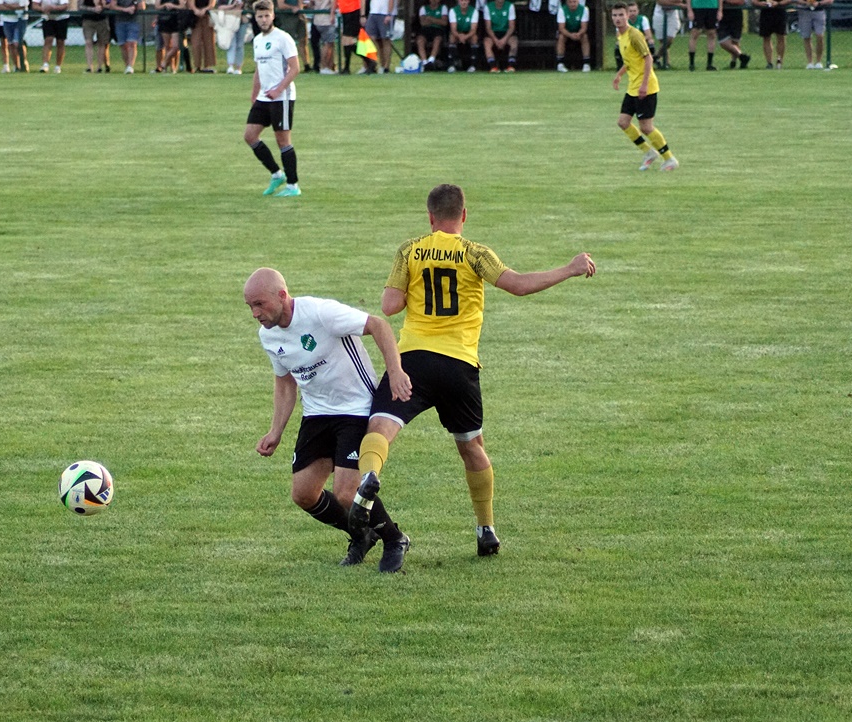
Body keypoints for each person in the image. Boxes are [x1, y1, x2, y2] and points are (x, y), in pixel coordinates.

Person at [346, 183, 596, 560]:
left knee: (380, 428)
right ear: (463, 215)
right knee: (471, 447)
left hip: (413, 358)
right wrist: (570, 268)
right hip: (459, 365)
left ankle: (369, 477)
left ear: (430, 218)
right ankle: (485, 528)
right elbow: (518, 286)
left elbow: (390, 305)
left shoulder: (410, 250)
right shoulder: (476, 253)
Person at [245, 268, 414, 572]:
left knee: (347, 493)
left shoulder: (321, 313)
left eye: (260, 304)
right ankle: (360, 535)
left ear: (282, 295)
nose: (256, 313)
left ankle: (394, 538)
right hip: (317, 413)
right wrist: (275, 431)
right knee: (304, 494)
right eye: (250, 307)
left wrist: (396, 371)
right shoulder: (268, 335)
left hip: (355, 409)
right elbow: (285, 382)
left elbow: (378, 325)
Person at [612, 0, 678, 171]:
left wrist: (643, 85)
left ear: (628, 15)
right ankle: (648, 152)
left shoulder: (634, 35)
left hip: (645, 87)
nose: (617, 18)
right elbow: (630, 61)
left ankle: (669, 158)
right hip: (632, 87)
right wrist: (619, 75)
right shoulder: (620, 36)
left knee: (646, 127)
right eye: (614, 15)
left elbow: (647, 58)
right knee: (623, 122)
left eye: (621, 15)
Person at [245, 0, 301, 197]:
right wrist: (254, 94)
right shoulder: (257, 40)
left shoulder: (283, 39)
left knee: (283, 141)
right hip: (264, 97)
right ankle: (277, 174)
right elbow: (259, 70)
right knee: (250, 136)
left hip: (282, 97)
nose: (263, 20)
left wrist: (278, 89)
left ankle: (293, 185)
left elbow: (295, 68)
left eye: (266, 15)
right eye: (260, 16)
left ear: (273, 15)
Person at [615, 1, 655, 70]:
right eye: (630, 11)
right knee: (618, 44)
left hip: (641, 41)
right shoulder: (621, 20)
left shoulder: (643, 19)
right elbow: (619, 36)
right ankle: (620, 66)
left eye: (634, 11)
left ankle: (649, 65)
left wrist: (637, 40)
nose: (633, 13)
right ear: (627, 12)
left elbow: (648, 35)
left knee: (651, 42)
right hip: (627, 43)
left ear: (638, 11)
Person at [362, 0, 397, 73]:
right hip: (373, 12)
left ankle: (385, 67)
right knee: (370, 38)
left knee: (385, 40)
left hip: (385, 13)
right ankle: (373, 64)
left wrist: (389, 13)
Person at [555, 0, 590, 72]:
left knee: (585, 37)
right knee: (561, 37)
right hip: (567, 33)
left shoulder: (584, 9)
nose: (572, 4)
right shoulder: (562, 10)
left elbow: (584, 27)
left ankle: (586, 63)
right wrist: (570, 35)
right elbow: (561, 28)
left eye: (574, 2)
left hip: (578, 32)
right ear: (567, 2)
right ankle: (560, 63)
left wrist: (579, 34)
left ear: (578, 1)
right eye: (570, 2)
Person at [482, 0, 517, 72]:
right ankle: (493, 67)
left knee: (514, 41)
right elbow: (488, 28)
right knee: (487, 43)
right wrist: (495, 40)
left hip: (506, 32)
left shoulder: (510, 6)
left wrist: (504, 39)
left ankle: (511, 66)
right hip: (493, 33)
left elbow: (511, 27)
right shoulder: (488, 7)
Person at [753, 0, 789, 69]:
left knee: (781, 37)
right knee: (766, 37)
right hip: (766, 12)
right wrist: (760, 3)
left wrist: (778, 3)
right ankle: (769, 63)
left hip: (780, 11)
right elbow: (754, 1)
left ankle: (779, 61)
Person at [0, 0, 29, 71]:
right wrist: (14, 7)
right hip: (7, 20)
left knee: (17, 43)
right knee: (11, 44)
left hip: (20, 19)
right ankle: (16, 66)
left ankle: (23, 63)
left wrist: (7, 5)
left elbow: (22, 6)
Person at [274, 0, 308, 72]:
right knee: (287, 42)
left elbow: (300, 4)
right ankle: (286, 65)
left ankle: (306, 65)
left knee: (303, 41)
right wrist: (293, 7)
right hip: (287, 18)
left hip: (299, 16)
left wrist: (299, 7)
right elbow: (281, 5)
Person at [111, 0, 144, 73]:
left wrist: (135, 6)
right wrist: (125, 9)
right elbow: (112, 6)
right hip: (120, 22)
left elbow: (142, 7)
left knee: (132, 43)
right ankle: (127, 66)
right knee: (122, 45)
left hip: (133, 22)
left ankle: (130, 66)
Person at [37, 0, 70, 72]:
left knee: (60, 42)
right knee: (48, 40)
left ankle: (58, 66)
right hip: (48, 18)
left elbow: (65, 5)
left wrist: (53, 8)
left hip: (61, 18)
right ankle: (45, 65)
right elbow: (34, 5)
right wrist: (43, 9)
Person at [794, 0, 829, 69]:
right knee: (806, 37)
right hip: (805, 11)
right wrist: (805, 3)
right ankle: (810, 62)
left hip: (819, 11)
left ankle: (818, 62)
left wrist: (819, 3)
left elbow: (830, 1)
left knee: (820, 36)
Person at [716, 0, 751, 68]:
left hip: (736, 13)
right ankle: (742, 56)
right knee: (723, 41)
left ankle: (733, 62)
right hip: (723, 14)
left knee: (735, 40)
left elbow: (740, 2)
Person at [446, 0, 479, 72]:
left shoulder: (474, 11)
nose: (463, 2)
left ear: (469, 1)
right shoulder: (453, 11)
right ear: (458, 1)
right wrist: (459, 36)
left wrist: (465, 37)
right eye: (461, 0)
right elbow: (453, 29)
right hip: (458, 32)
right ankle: (451, 65)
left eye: (465, 0)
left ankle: (473, 65)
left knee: (474, 38)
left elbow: (473, 29)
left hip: (468, 33)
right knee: (452, 37)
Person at [685, 0, 718, 70]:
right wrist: (689, 10)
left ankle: (709, 64)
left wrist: (720, 10)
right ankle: (691, 64)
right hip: (697, 7)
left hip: (712, 7)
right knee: (695, 33)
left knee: (712, 34)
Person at [156, 0, 187, 72]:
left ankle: (164, 62)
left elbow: (183, 6)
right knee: (167, 46)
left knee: (175, 46)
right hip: (164, 21)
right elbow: (157, 6)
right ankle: (169, 67)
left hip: (176, 21)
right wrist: (165, 5)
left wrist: (173, 6)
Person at [651, 0, 684, 68]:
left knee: (669, 39)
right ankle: (666, 63)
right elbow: (660, 2)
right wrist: (675, 4)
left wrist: (668, 2)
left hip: (673, 14)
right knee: (662, 41)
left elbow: (679, 1)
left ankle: (655, 57)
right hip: (659, 13)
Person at [415, 3, 448, 70]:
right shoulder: (423, 8)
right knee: (420, 40)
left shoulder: (443, 8)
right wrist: (438, 20)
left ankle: (431, 60)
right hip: (426, 29)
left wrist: (431, 19)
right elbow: (423, 23)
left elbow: (444, 22)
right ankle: (424, 62)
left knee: (437, 39)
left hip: (438, 29)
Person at [81, 0, 110, 72]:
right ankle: (89, 67)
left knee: (101, 43)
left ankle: (99, 67)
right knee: (88, 42)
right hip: (88, 20)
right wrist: (93, 9)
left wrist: (102, 6)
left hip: (102, 20)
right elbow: (80, 6)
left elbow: (110, 4)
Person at [191, 0, 218, 72]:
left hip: (207, 17)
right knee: (196, 43)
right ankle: (197, 66)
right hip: (195, 19)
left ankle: (208, 65)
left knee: (209, 42)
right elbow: (190, 3)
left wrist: (205, 9)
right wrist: (195, 10)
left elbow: (212, 4)